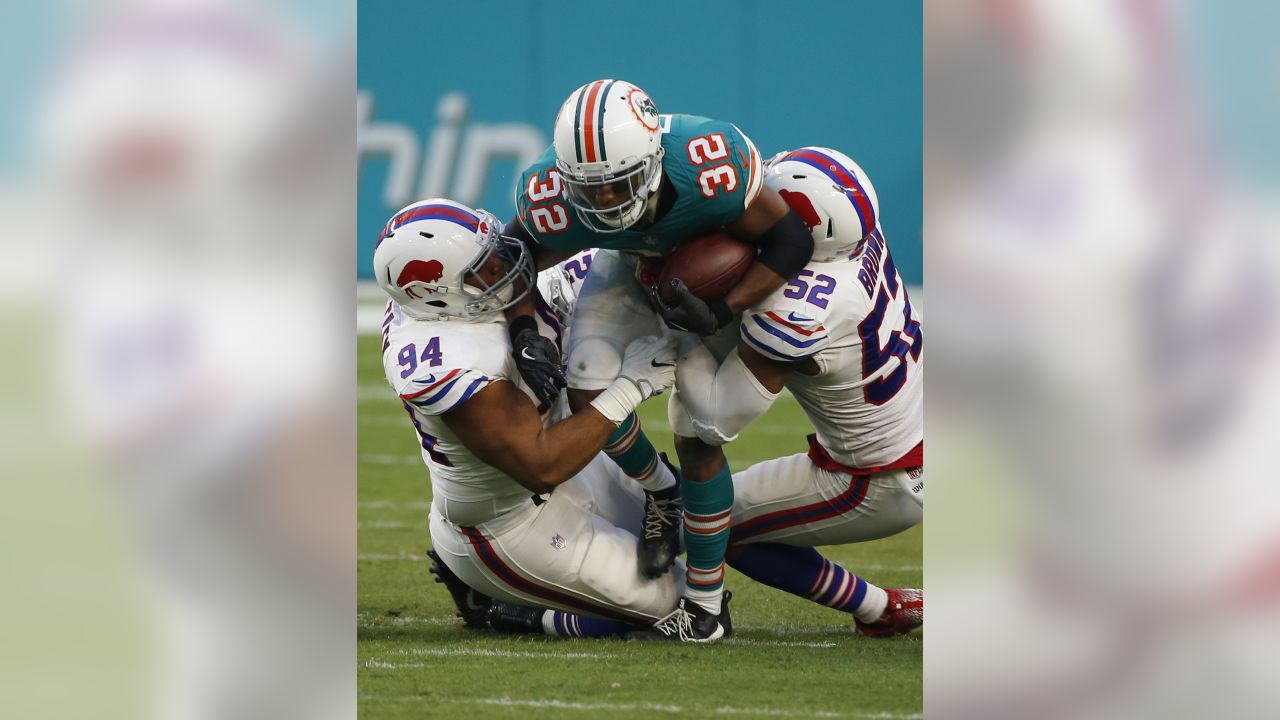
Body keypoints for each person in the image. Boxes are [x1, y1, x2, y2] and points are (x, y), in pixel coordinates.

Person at [503, 80, 816, 641]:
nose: (603, 201)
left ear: (650, 159)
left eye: (616, 185)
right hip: (630, 269)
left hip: (707, 288)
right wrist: (524, 328)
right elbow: (516, 254)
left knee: (699, 430)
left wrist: (722, 306)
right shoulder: (550, 191)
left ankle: (704, 606)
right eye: (589, 188)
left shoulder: (707, 165)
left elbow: (790, 239)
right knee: (586, 387)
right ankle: (660, 489)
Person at [375, 197, 690, 626]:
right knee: (678, 604)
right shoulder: (446, 357)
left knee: (707, 523)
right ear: (439, 295)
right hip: (510, 526)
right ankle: (505, 611)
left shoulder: (461, 294)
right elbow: (540, 465)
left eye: (495, 251)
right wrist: (632, 384)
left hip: (575, 468)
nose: (505, 264)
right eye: (484, 267)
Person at [669, 146, 925, 637]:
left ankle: (881, 607)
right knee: (714, 515)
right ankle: (883, 609)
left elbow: (716, 420)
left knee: (710, 524)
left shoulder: (801, 307)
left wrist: (675, 338)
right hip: (916, 434)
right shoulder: (857, 239)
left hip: (875, 479)